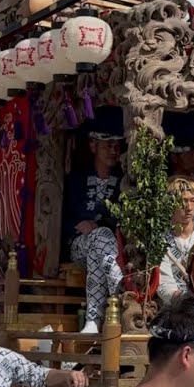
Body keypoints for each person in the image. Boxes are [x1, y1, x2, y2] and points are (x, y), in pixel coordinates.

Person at [65, 127, 127, 334]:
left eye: (117, 146)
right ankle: (118, 289)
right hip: (78, 245)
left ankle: (93, 319)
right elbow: (65, 216)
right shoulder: (77, 179)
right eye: (108, 145)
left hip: (109, 249)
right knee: (97, 240)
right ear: (93, 146)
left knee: (98, 245)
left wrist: (99, 226)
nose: (113, 151)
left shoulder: (124, 181)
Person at [157, 176, 194, 306]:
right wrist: (184, 301)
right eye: (183, 201)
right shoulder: (160, 240)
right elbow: (164, 283)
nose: (189, 207)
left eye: (193, 201)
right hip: (176, 306)